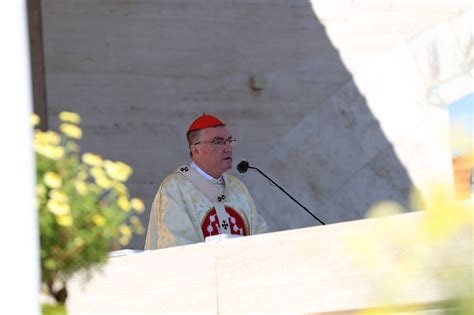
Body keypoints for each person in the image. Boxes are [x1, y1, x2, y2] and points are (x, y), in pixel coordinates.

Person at [145, 113, 267, 249]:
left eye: (229, 141)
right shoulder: (175, 188)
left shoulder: (237, 187)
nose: (228, 148)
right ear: (195, 149)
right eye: (218, 142)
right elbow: (176, 247)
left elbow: (259, 237)